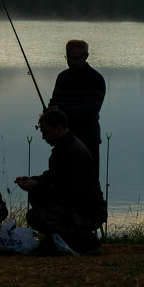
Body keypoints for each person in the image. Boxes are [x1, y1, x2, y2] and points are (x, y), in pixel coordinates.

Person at [15, 107, 106, 254]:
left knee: (35, 216)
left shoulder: (74, 152)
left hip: (88, 211)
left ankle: (83, 240)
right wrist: (32, 180)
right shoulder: (62, 149)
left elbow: (68, 192)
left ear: (59, 128)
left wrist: (37, 187)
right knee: (37, 205)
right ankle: (66, 240)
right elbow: (52, 177)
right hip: (78, 206)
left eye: (46, 133)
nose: (44, 137)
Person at [49, 39, 106, 182]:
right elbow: (54, 102)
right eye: (69, 58)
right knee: (60, 182)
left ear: (86, 56)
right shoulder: (62, 77)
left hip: (88, 141)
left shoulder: (96, 79)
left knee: (87, 184)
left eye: (76, 58)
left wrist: (61, 109)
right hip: (62, 141)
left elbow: (91, 111)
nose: (72, 62)